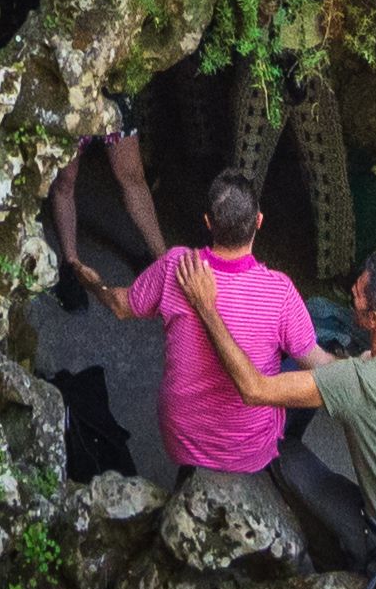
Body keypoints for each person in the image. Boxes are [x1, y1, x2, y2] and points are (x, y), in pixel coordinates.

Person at [164, 244, 376, 589]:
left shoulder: (357, 381)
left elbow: (254, 389)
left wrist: (206, 307)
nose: (352, 294)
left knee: (282, 452)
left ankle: (336, 566)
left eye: (358, 294)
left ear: (374, 320)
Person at [117, 174, 316, 508]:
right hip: (248, 450)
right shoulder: (280, 292)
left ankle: (190, 485)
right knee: (298, 363)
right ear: (259, 221)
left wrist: (89, 279)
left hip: (182, 436)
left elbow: (123, 305)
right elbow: (318, 363)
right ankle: (275, 463)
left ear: (208, 222)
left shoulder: (178, 265)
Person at [50, 71, 171, 298]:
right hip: (71, 83)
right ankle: (72, 266)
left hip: (109, 81)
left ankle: (163, 262)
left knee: (132, 176)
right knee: (65, 180)